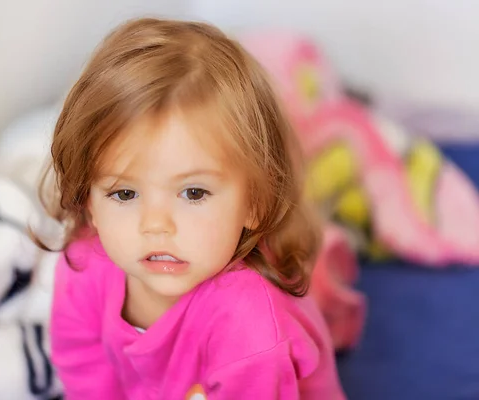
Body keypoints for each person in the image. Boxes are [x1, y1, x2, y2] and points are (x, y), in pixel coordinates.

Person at [37, 16, 345, 399]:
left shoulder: (249, 326)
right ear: (90, 203)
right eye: (125, 194)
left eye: (194, 193)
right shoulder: (83, 266)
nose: (156, 225)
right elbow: (83, 370)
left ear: (255, 202)